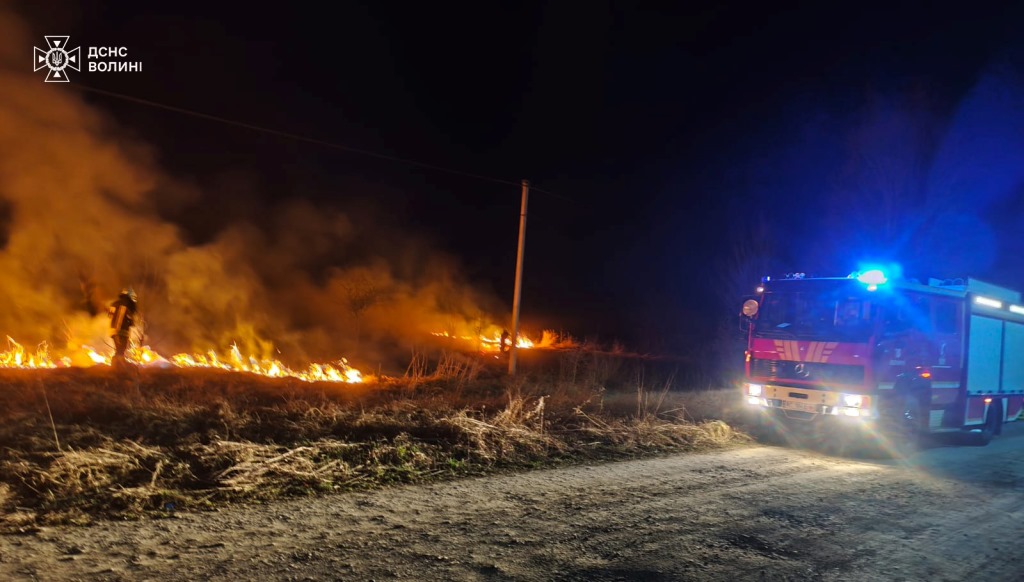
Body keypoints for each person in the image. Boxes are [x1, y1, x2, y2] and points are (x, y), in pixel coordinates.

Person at [108, 287, 138, 366]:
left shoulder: (114, 303)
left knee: (118, 350)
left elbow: (109, 316)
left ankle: (115, 365)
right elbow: (131, 321)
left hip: (113, 330)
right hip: (122, 331)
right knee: (121, 350)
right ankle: (119, 367)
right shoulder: (129, 305)